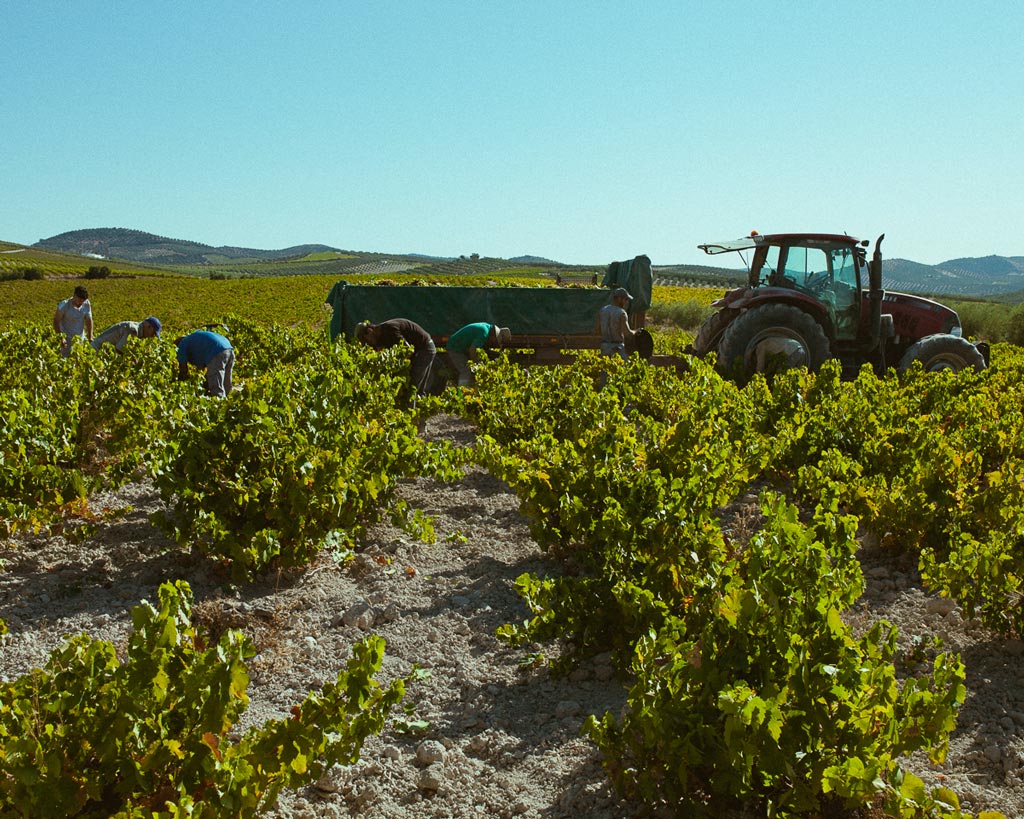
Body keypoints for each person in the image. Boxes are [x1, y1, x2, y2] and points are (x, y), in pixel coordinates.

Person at [355, 318, 436, 395]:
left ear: (370, 331)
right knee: (417, 390)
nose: (369, 344)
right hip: (420, 350)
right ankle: (418, 407)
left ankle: (410, 408)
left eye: (367, 341)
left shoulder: (390, 329)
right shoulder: (379, 338)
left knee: (412, 387)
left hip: (425, 348)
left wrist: (398, 371)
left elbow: (408, 350)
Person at [445, 323, 512, 387]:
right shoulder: (483, 333)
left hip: (463, 348)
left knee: (472, 372)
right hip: (455, 348)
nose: (494, 343)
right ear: (494, 336)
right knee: (466, 371)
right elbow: (472, 351)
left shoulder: (487, 328)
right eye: (496, 341)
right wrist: (477, 365)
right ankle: (461, 394)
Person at [175, 330, 235, 397]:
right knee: (225, 381)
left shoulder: (181, 345)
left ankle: (219, 402)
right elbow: (201, 370)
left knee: (216, 385)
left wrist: (182, 382)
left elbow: (183, 368)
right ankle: (226, 402)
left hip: (216, 351)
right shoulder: (194, 341)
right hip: (229, 349)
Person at [595, 287, 636, 361]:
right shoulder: (622, 313)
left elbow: (597, 330)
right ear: (619, 299)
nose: (626, 302)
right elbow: (627, 333)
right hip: (618, 348)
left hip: (605, 347)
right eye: (625, 299)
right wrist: (636, 332)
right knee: (622, 370)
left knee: (605, 370)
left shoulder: (602, 311)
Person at [53, 285, 93, 357]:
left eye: (82, 302)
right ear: (74, 296)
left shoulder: (87, 304)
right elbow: (56, 322)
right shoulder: (64, 305)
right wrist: (61, 338)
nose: (80, 303)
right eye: (79, 301)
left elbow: (88, 320)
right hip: (66, 340)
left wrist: (90, 336)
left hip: (80, 339)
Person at [92, 317, 162, 352]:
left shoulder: (138, 332)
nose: (152, 337)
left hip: (103, 352)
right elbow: (119, 350)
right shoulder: (133, 330)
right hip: (95, 350)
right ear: (148, 327)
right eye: (153, 334)